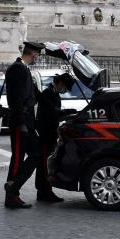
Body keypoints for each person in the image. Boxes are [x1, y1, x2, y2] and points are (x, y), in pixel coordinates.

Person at [3, 41, 44, 209]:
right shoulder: (17, 68)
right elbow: (16, 98)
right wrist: (21, 122)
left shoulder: (24, 69)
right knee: (18, 158)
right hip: (21, 120)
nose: (37, 59)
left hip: (27, 120)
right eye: (37, 55)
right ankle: (12, 194)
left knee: (36, 154)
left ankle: (14, 187)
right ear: (33, 53)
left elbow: (35, 94)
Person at [35, 72, 76, 203]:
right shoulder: (48, 93)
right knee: (44, 164)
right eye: (65, 87)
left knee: (46, 164)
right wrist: (65, 112)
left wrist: (65, 113)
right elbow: (51, 112)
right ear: (60, 83)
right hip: (45, 134)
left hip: (50, 133)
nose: (65, 90)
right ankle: (44, 191)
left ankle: (45, 190)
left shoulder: (54, 93)